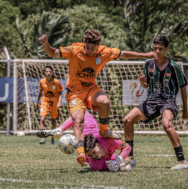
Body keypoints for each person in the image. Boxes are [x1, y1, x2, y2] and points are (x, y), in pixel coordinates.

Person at [39, 30, 156, 166]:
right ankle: (81, 154)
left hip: (90, 88)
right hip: (74, 92)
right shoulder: (74, 50)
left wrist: (146, 55)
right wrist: (46, 43)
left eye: (92, 48)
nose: (89, 50)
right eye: (87, 47)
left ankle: (104, 130)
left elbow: (123, 54)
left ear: (98, 45)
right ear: (84, 43)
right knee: (78, 121)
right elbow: (52, 52)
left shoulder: (104, 52)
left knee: (104, 101)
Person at [123, 36, 188, 170]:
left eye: (160, 49)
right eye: (155, 48)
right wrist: (143, 82)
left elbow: (183, 88)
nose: (157, 51)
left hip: (167, 101)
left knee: (167, 125)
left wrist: (185, 110)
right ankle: (129, 157)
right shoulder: (148, 64)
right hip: (151, 101)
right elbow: (146, 86)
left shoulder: (173, 66)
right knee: (127, 120)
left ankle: (182, 162)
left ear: (166, 49)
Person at [44, 110, 133, 171]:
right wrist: (121, 165)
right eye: (90, 155)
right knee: (78, 113)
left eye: (93, 152)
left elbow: (127, 147)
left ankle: (60, 129)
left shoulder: (109, 141)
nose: (93, 156)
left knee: (80, 112)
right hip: (83, 134)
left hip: (90, 125)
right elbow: (112, 163)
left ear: (98, 145)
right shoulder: (95, 164)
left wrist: (120, 159)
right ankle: (60, 129)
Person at [36, 65, 64, 144]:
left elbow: (60, 93)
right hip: (44, 103)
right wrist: (37, 103)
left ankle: (52, 138)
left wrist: (59, 102)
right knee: (42, 119)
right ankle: (42, 138)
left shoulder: (56, 82)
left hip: (54, 104)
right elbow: (40, 92)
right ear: (44, 72)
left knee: (53, 121)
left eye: (50, 71)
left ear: (52, 72)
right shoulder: (42, 81)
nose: (48, 73)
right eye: (47, 71)